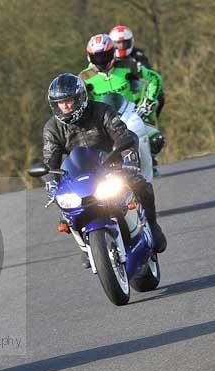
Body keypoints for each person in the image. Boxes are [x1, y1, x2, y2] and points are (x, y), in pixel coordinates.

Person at [43, 73, 166, 259]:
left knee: (140, 184)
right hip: (79, 176)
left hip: (112, 166)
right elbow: (50, 160)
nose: (66, 106)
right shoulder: (53, 128)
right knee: (66, 210)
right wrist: (51, 182)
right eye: (61, 102)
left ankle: (152, 223)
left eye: (69, 100)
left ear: (80, 97)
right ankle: (88, 246)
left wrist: (129, 159)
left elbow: (123, 135)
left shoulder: (102, 111)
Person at [80, 34, 163, 125]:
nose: (102, 61)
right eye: (96, 57)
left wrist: (147, 103)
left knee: (155, 136)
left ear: (113, 52)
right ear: (89, 57)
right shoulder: (84, 77)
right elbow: (77, 103)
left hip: (133, 118)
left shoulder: (129, 65)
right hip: (104, 124)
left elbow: (155, 78)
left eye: (105, 56)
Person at [108, 25, 165, 118]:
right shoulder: (108, 56)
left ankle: (152, 121)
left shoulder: (138, 54)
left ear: (131, 42)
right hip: (116, 93)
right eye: (118, 43)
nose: (121, 46)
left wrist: (137, 73)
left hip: (138, 92)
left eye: (124, 43)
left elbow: (148, 71)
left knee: (160, 95)